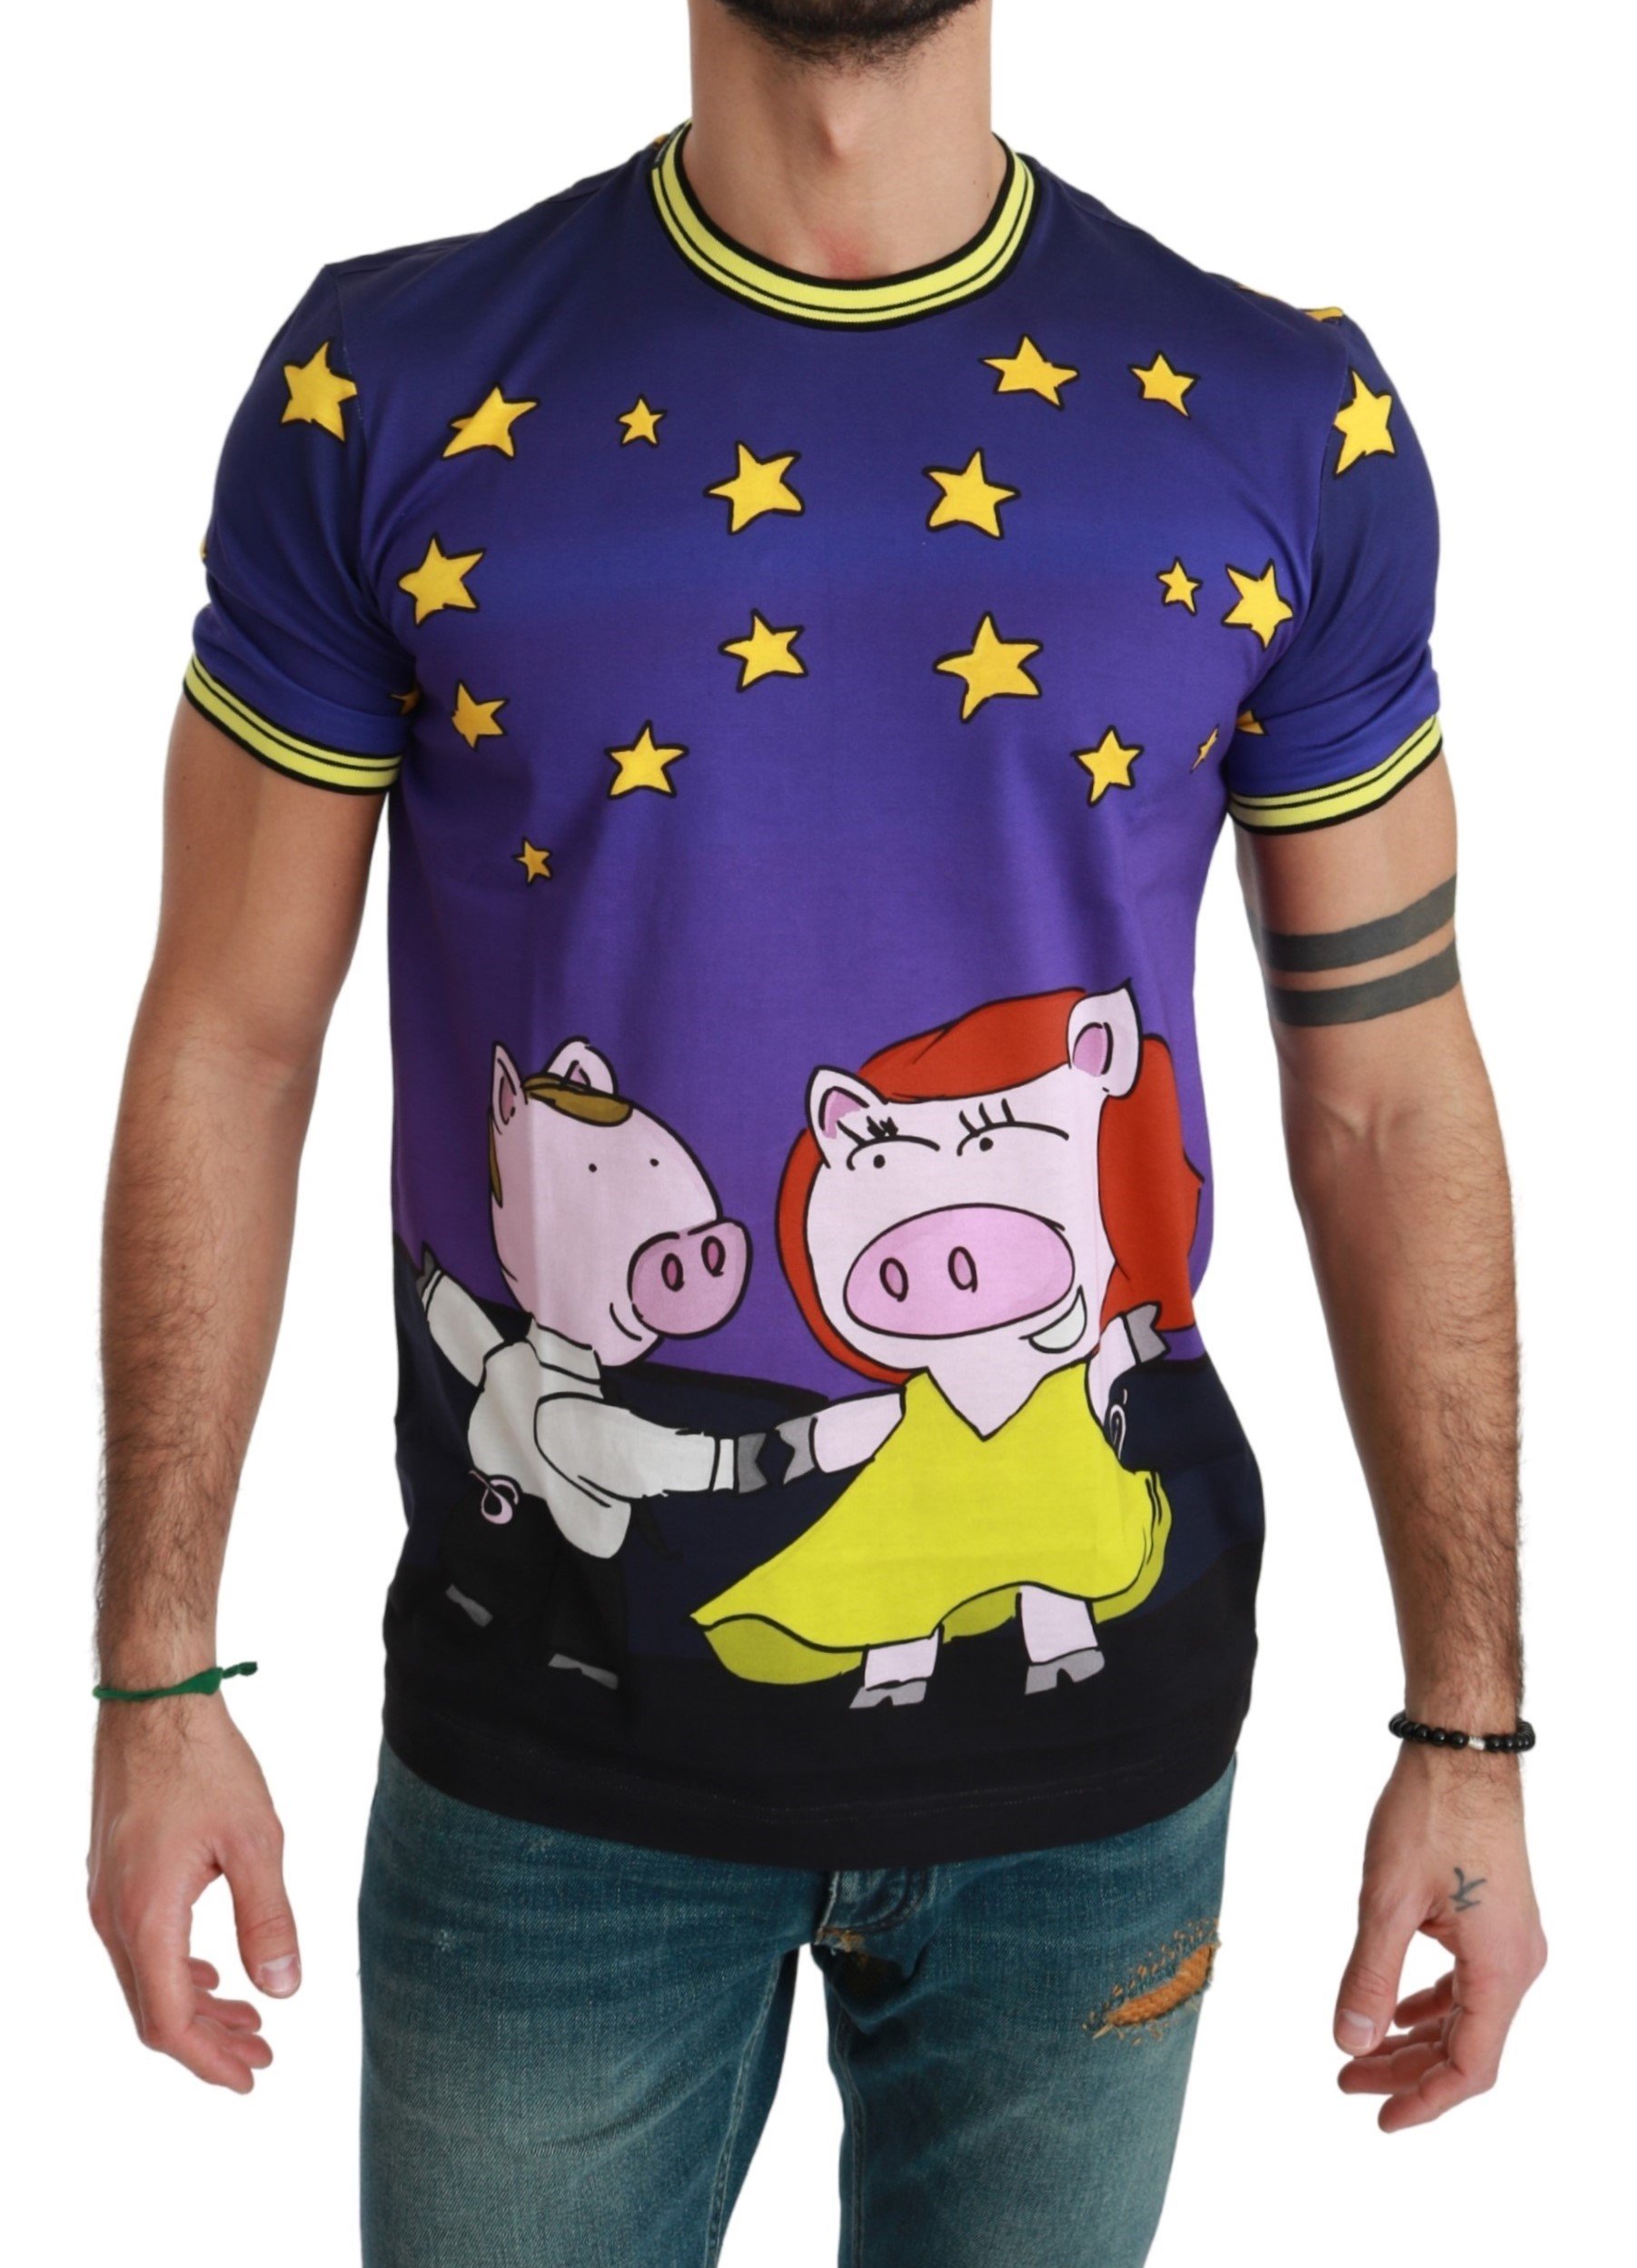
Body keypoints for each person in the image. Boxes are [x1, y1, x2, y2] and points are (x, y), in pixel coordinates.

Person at [86, 2, 1546, 2261]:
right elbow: (226, 1041)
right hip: (547, 1762)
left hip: (1095, 1783)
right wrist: (154, 1673)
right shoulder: (387, 387)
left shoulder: (1278, 417)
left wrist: (1471, 1722)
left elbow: (1387, 1088)